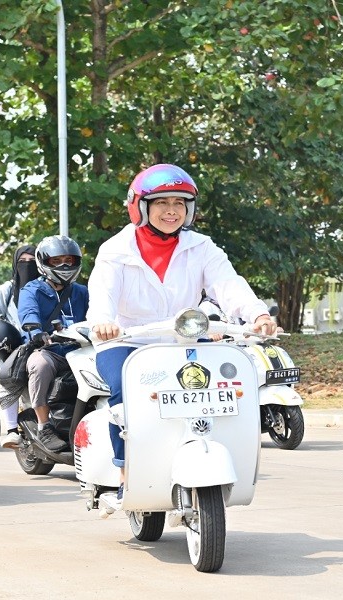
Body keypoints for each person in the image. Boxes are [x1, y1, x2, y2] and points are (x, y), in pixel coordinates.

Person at [88, 163, 278, 501]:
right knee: (124, 392)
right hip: (127, 339)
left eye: (179, 203)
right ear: (140, 207)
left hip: (183, 337)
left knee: (221, 390)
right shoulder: (116, 250)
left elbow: (228, 284)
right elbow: (102, 293)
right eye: (162, 203)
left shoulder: (201, 246)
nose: (171, 211)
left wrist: (257, 313)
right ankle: (125, 472)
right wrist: (103, 321)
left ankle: (208, 452)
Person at [16, 235, 89, 453]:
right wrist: (36, 331)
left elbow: (100, 314)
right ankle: (44, 426)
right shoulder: (32, 290)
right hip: (50, 350)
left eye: (69, 260)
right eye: (57, 261)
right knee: (40, 365)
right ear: (44, 263)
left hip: (82, 350)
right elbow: (28, 314)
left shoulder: (82, 292)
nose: (64, 266)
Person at [0, 244, 39, 448]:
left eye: (32, 261)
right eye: (22, 261)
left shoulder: (45, 288)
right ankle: (12, 430)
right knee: (8, 379)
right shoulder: (3, 292)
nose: (27, 265)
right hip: (11, 351)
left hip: (42, 346)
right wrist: (8, 337)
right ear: (15, 264)